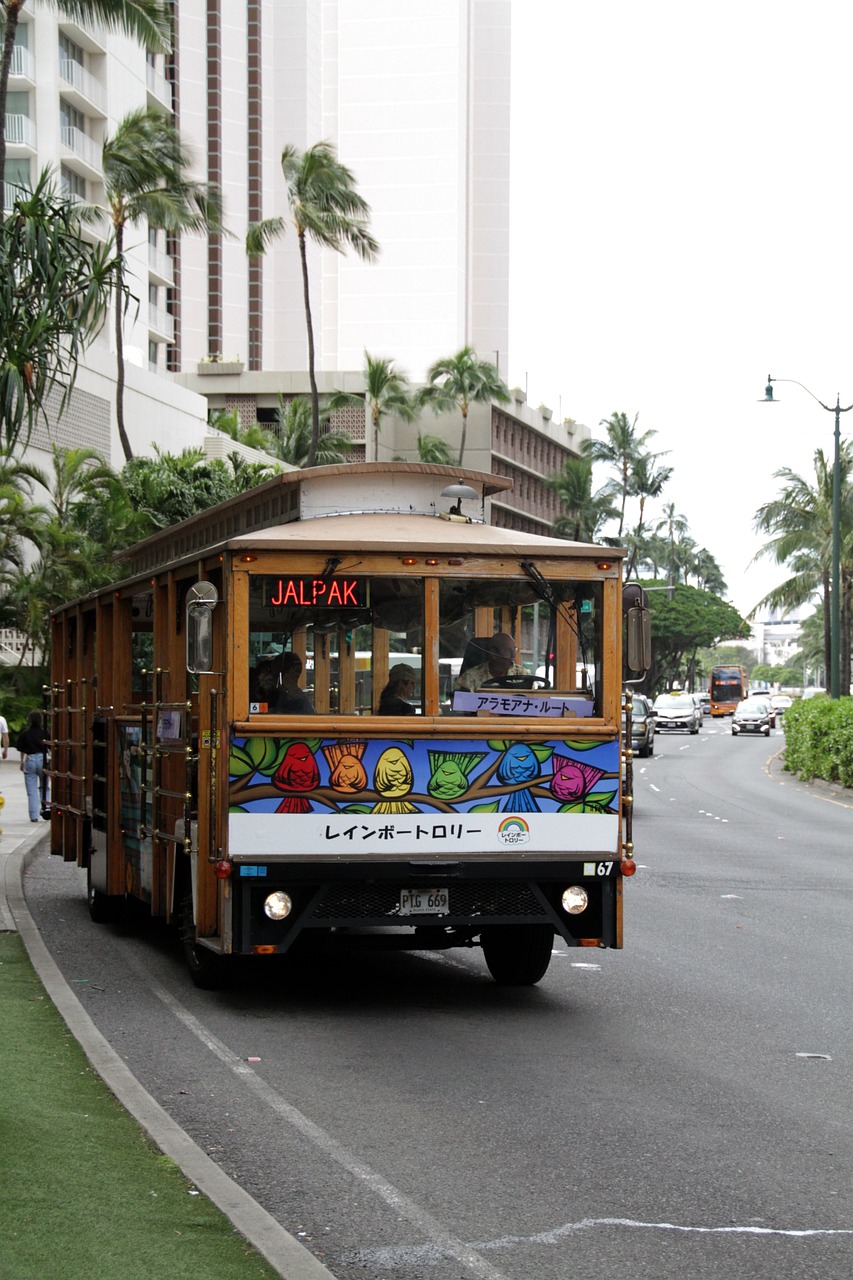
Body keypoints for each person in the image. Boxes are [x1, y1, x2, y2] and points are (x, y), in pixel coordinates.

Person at [453, 633, 527, 691]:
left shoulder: (522, 674)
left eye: (514, 650)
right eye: (508, 651)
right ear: (494, 653)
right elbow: (457, 702)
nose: (513, 655)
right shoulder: (470, 678)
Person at [17, 709, 47, 822]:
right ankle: (46, 810)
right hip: (43, 759)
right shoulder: (45, 733)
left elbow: (22, 749)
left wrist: (22, 762)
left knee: (32, 791)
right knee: (45, 787)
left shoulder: (25, 734)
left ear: (29, 720)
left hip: (30, 759)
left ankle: (34, 816)